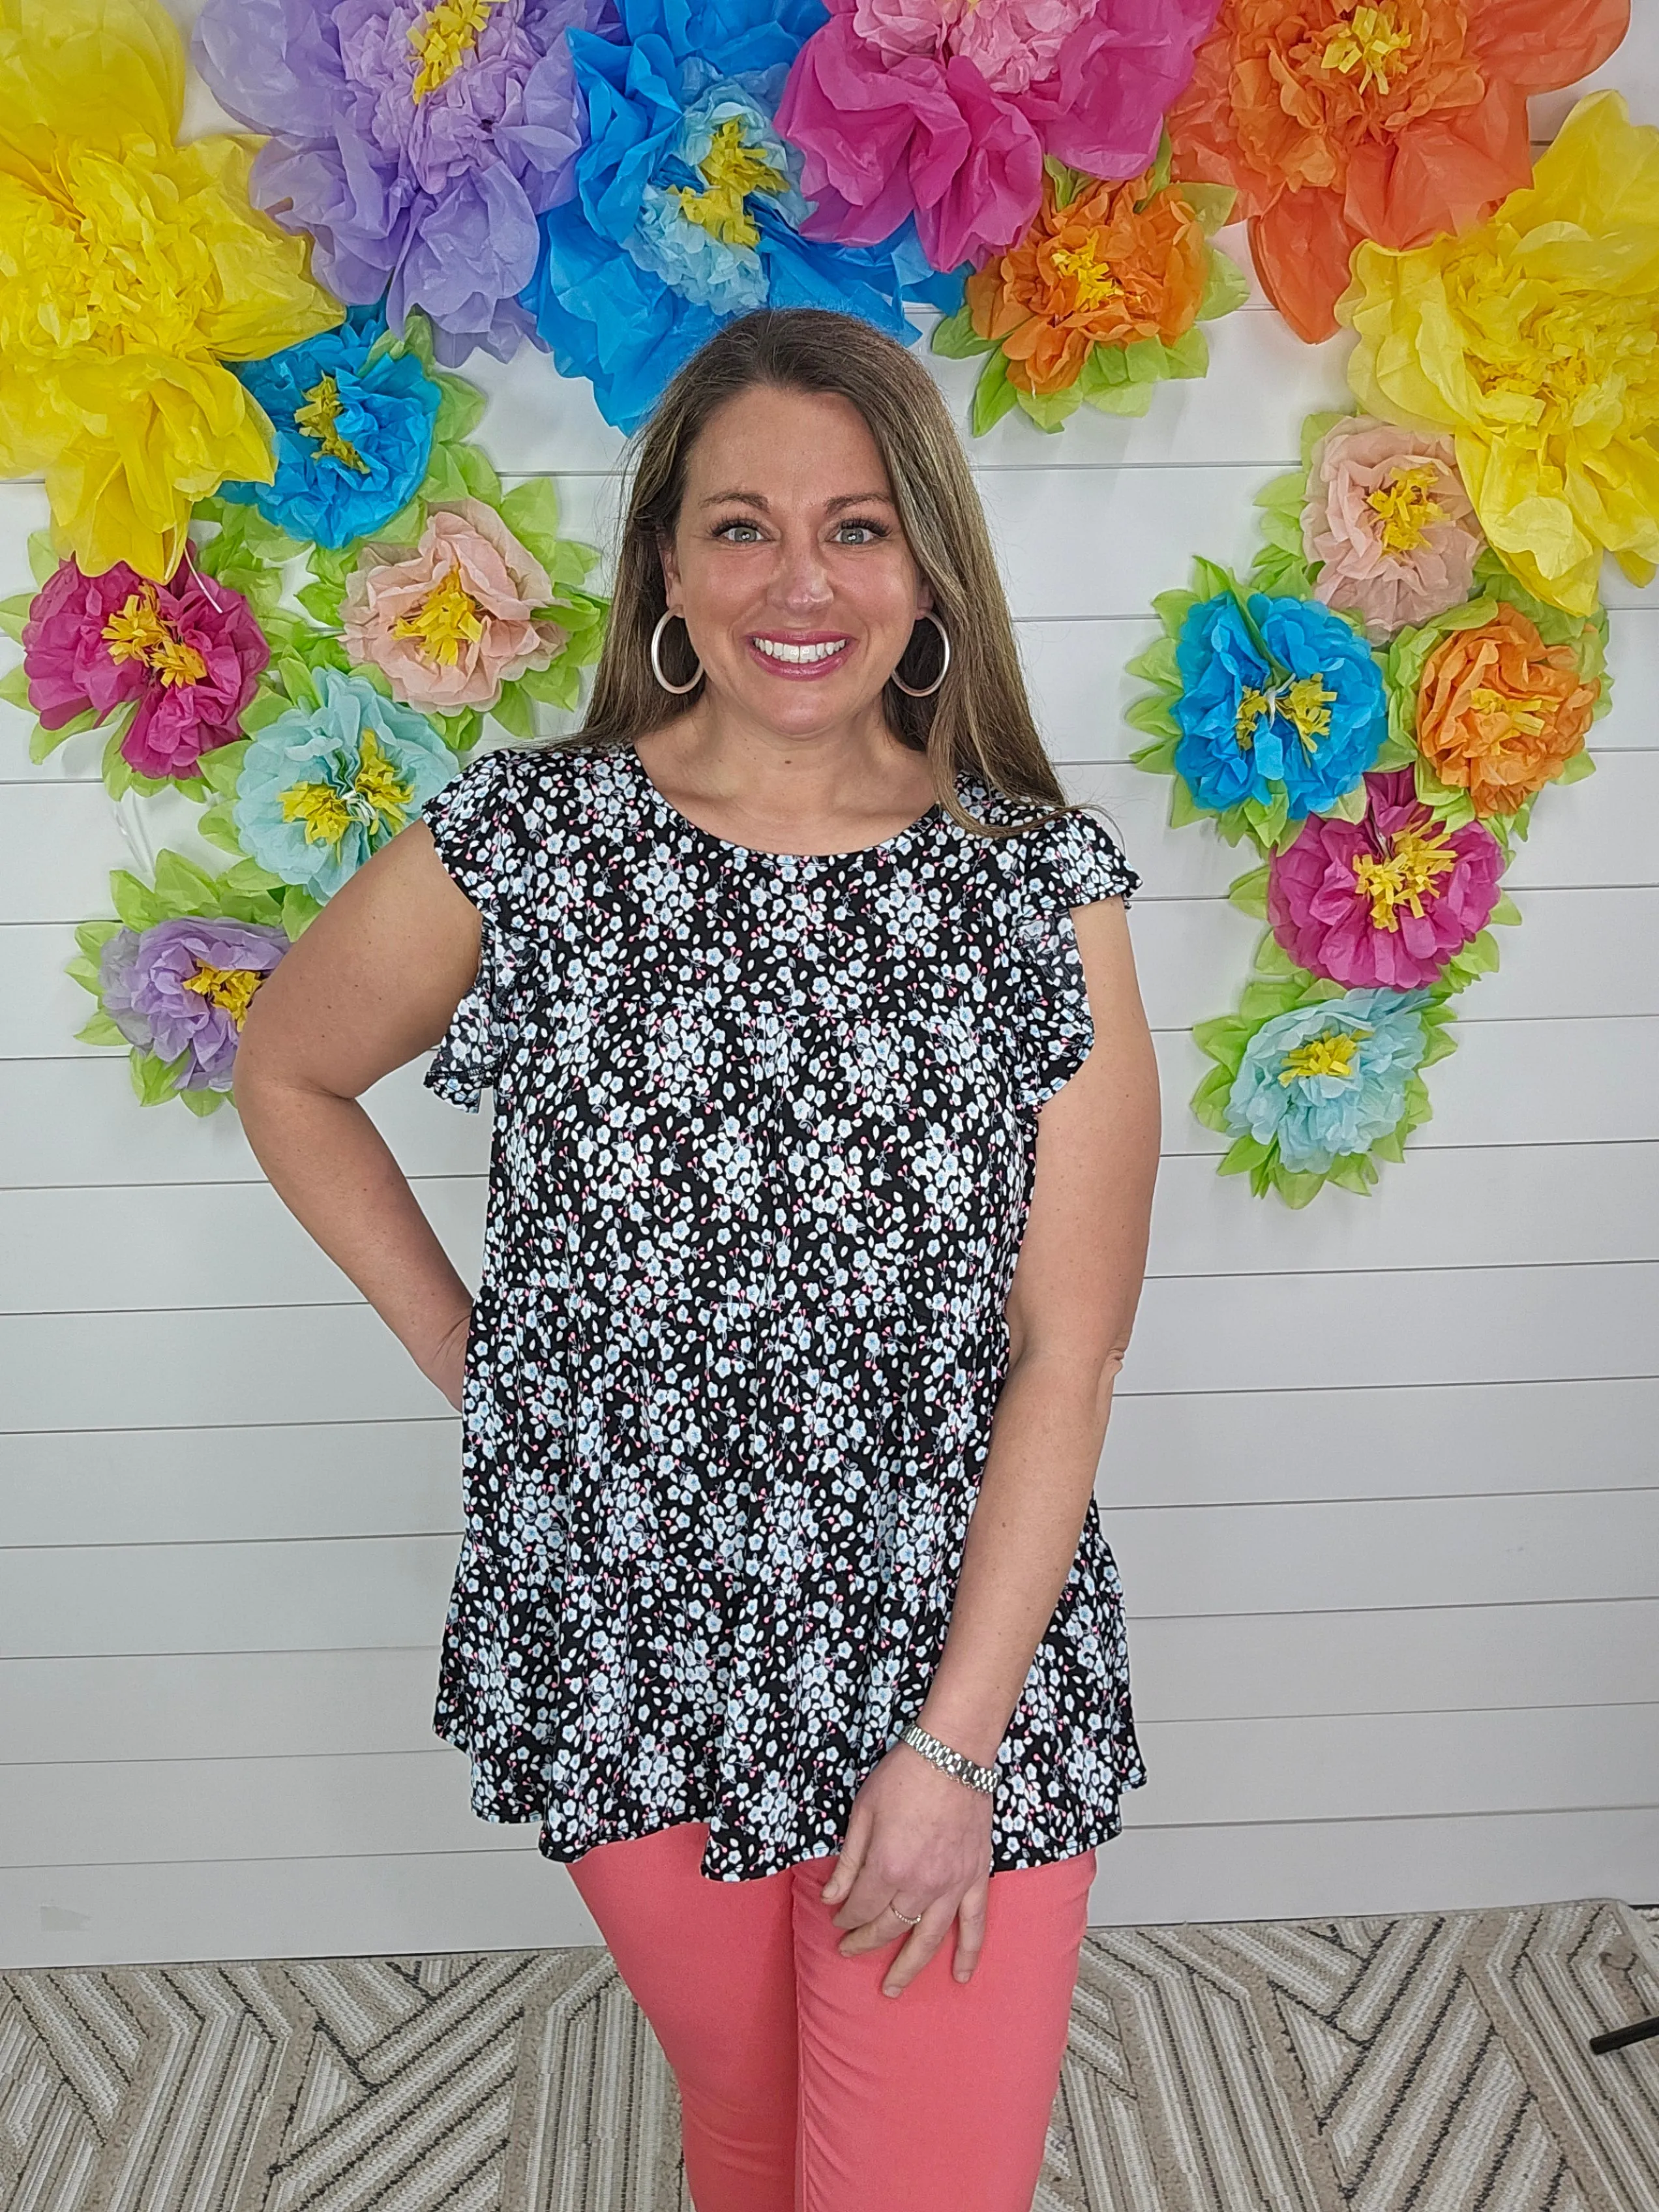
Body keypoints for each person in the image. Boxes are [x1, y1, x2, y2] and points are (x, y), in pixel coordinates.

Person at [235, 307, 1160, 2212]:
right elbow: (293, 1066)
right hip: (626, 1623)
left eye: (857, 525)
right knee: (745, 2122)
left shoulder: (1040, 895)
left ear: (931, 567)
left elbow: (1066, 1355)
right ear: (666, 561)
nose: (798, 581)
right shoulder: (531, 844)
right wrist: (484, 1364)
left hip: (950, 1642)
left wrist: (951, 1755)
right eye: (741, 526)